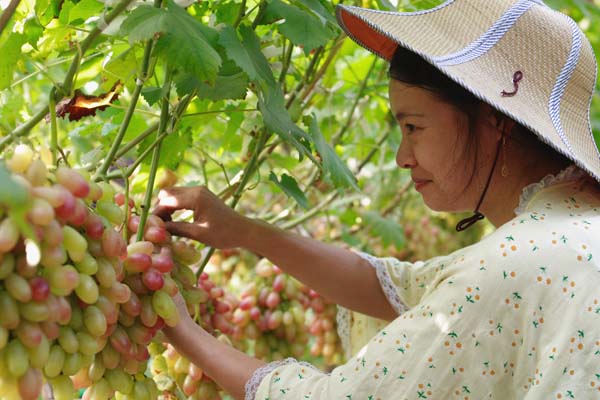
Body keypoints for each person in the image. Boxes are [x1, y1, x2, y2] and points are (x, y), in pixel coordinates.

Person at [153, 0, 600, 398]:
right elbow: (400, 288)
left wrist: (180, 329)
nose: (403, 157)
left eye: (413, 127)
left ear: (494, 119)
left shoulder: (510, 266)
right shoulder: (567, 228)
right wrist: (246, 232)